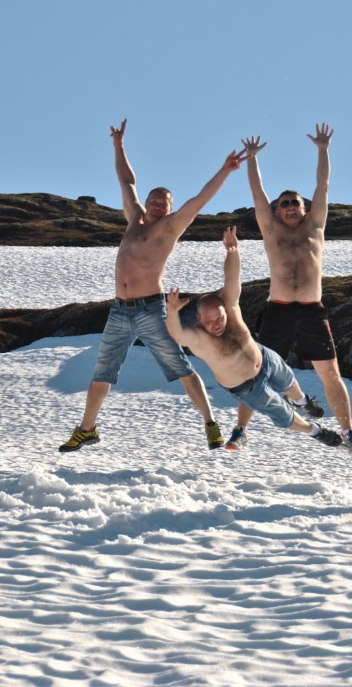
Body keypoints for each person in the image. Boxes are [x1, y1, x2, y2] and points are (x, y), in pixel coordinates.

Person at [58, 119, 245, 453]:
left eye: (165, 203)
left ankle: (210, 423)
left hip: (150, 309)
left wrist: (226, 169)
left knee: (179, 366)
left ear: (172, 209)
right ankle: (87, 429)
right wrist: (118, 144)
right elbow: (126, 180)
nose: (158, 206)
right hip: (119, 311)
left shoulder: (170, 228)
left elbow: (200, 200)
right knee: (104, 371)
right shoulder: (133, 218)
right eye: (154, 201)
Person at [228, 125, 352, 454]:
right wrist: (252, 161)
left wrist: (323, 149)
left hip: (310, 310)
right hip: (277, 309)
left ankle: (349, 432)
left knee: (330, 371)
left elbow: (323, 185)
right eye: (285, 203)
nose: (290, 206)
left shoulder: (315, 227)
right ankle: (239, 431)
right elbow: (258, 193)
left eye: (296, 203)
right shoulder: (270, 229)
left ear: (305, 209)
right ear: (277, 210)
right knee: (254, 371)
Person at [165, 227, 346, 450]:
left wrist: (232, 251)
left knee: (288, 380)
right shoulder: (199, 338)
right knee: (282, 414)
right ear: (199, 320)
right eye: (209, 321)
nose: (217, 324)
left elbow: (232, 277)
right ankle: (316, 431)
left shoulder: (229, 306)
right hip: (248, 387)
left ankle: (301, 400)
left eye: (219, 317)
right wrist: (172, 313)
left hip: (264, 358)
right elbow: (177, 334)